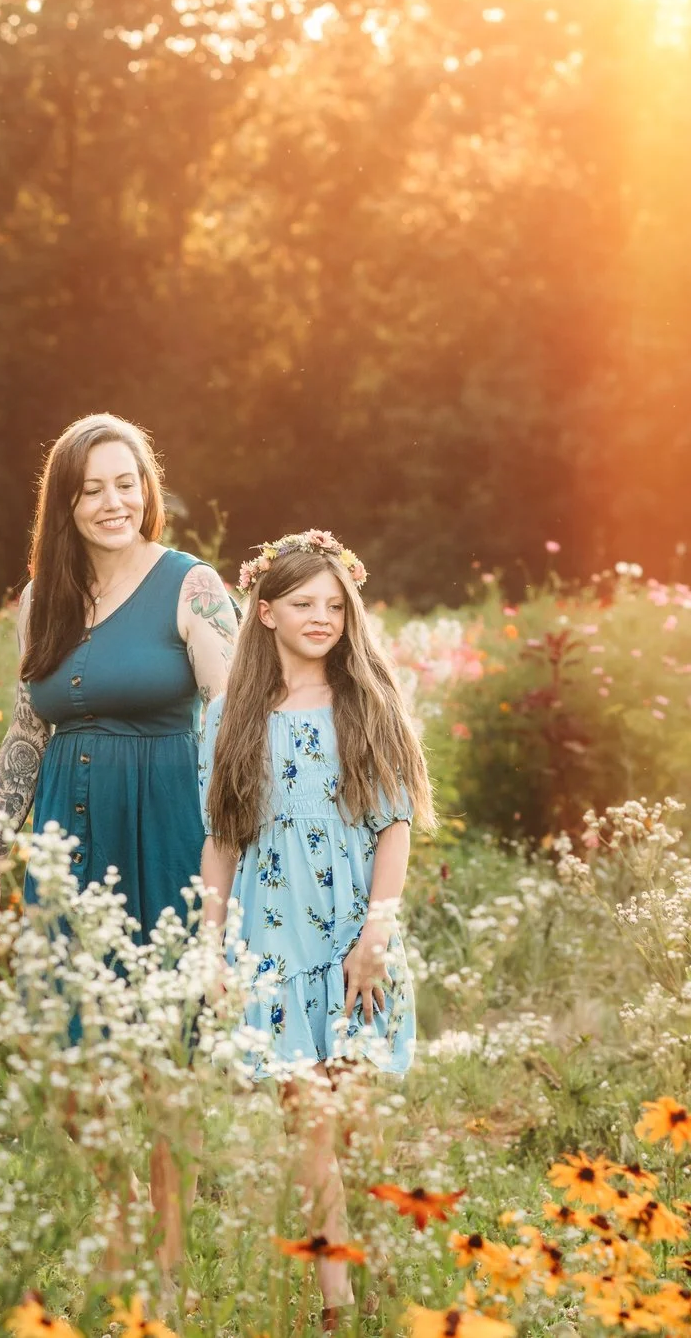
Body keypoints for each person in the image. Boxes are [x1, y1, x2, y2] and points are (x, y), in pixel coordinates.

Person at [0, 411, 239, 1280]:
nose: (113, 502)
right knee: (69, 1055)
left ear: (147, 489)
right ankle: (121, 1224)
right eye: (92, 489)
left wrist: (239, 855)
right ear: (65, 504)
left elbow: (232, 716)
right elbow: (25, 733)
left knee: (160, 1057)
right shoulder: (40, 599)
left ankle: (167, 1268)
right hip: (63, 842)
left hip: (165, 831)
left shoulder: (191, 585)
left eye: (127, 483)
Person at [196, 530, 433, 1330]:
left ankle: (377, 1258)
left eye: (335, 604)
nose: (322, 616)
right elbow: (221, 840)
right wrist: (212, 948)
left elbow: (395, 826)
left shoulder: (367, 702)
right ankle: (339, 1299)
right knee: (309, 1119)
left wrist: (377, 936)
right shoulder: (231, 716)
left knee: (351, 1116)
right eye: (303, 603)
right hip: (273, 943)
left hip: (353, 935)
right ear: (265, 611)